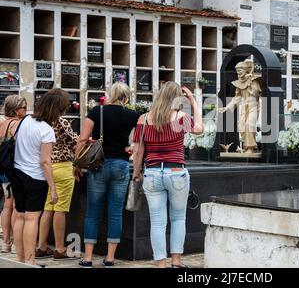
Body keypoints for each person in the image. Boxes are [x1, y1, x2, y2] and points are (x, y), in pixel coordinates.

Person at [132, 81, 203, 268]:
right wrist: (193, 101)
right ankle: (176, 262)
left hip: (152, 173)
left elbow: (138, 151)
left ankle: (160, 264)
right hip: (176, 172)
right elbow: (199, 129)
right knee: (178, 218)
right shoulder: (180, 117)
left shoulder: (144, 119)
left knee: (157, 222)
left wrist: (137, 173)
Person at [74, 82, 139, 268]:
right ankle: (110, 258)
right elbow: (139, 141)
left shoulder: (97, 112)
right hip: (121, 165)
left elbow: (83, 139)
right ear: (126, 97)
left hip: (97, 165)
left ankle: (87, 258)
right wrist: (131, 149)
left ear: (110, 94)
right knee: (115, 212)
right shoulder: (133, 115)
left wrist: (77, 164)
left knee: (93, 212)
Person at [12, 91, 62, 266]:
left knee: (20, 217)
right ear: (56, 111)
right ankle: (30, 260)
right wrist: (53, 188)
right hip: (36, 178)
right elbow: (45, 162)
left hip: (17, 174)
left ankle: (20, 260)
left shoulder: (25, 120)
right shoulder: (47, 130)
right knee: (32, 219)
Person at [36, 89, 78, 260]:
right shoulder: (62, 122)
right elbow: (76, 141)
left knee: (48, 208)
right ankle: (60, 249)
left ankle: (42, 246)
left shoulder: (41, 123)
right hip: (64, 168)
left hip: (49, 168)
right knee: (61, 209)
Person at [0, 95, 27, 253]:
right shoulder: (17, 125)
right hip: (15, 169)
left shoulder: (2, 124)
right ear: (16, 110)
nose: (26, 109)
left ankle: (6, 243)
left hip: (2, 172)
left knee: (7, 203)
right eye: (24, 107)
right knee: (17, 205)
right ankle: (17, 242)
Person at [219, 60, 262, 153]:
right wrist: (227, 107)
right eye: (237, 70)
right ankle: (247, 147)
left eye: (240, 70)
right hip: (244, 107)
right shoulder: (239, 83)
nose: (238, 72)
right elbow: (237, 98)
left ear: (246, 70)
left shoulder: (254, 80)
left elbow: (256, 93)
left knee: (249, 125)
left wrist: (250, 82)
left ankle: (251, 147)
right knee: (242, 127)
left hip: (253, 106)